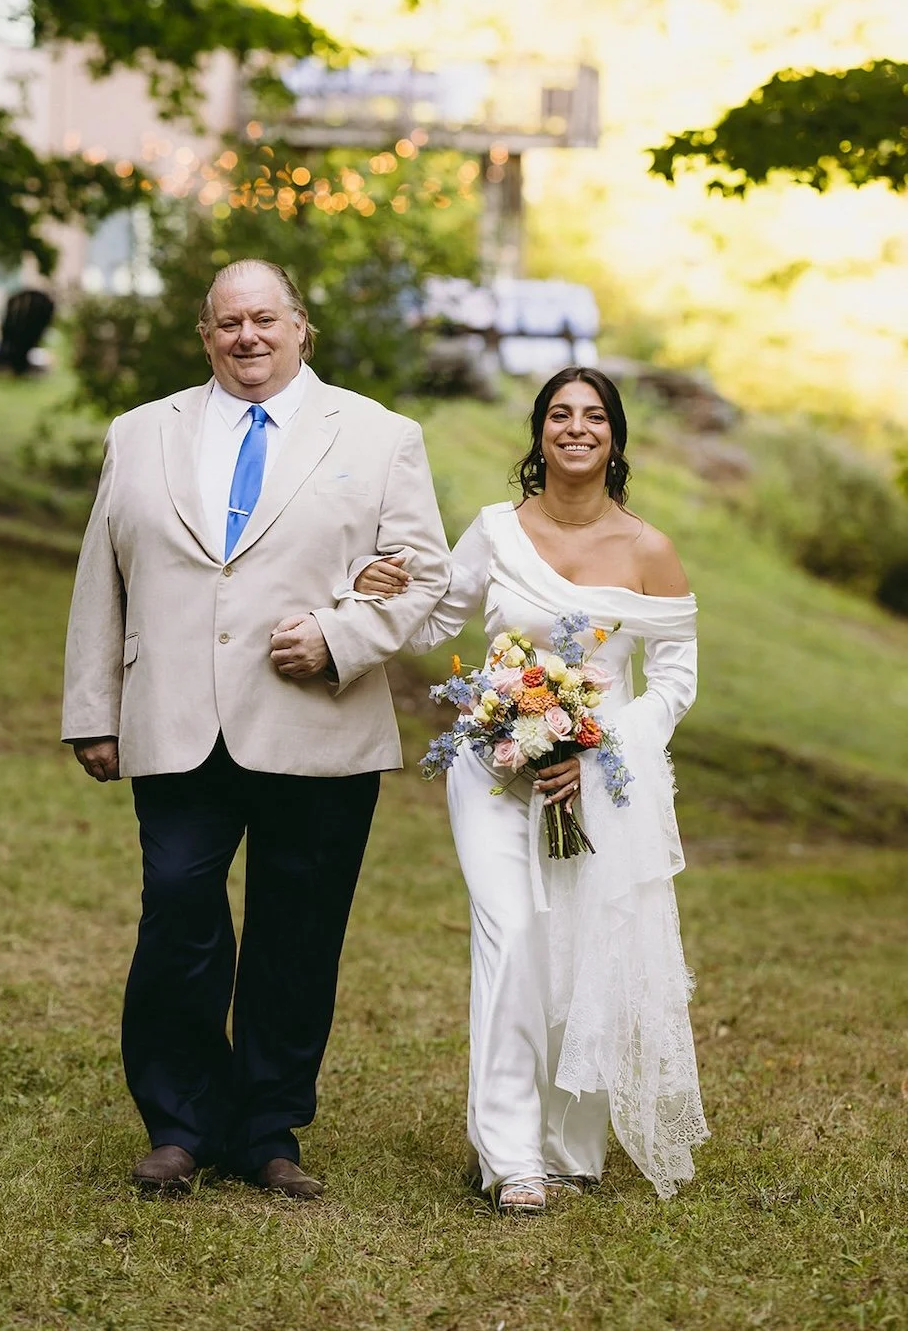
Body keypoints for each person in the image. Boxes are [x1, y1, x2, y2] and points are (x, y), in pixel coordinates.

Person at [62, 259, 451, 1197]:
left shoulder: (380, 435)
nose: (248, 337)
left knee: (299, 930)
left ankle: (271, 1128)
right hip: (177, 722)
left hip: (316, 725)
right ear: (206, 336)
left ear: (300, 328)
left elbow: (426, 575)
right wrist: (91, 710)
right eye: (229, 323)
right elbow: (99, 577)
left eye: (265, 320)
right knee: (179, 915)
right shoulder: (140, 433)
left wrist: (339, 633)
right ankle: (180, 1124)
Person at [353, 367, 708, 1209]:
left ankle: (570, 1144)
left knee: (578, 949)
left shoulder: (648, 550)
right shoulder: (494, 532)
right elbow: (442, 617)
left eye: (593, 416)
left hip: (597, 780)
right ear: (539, 431)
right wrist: (378, 585)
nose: (575, 428)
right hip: (490, 766)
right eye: (559, 414)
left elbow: (676, 678)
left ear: (615, 437)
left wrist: (595, 743)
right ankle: (511, 1158)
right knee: (511, 936)